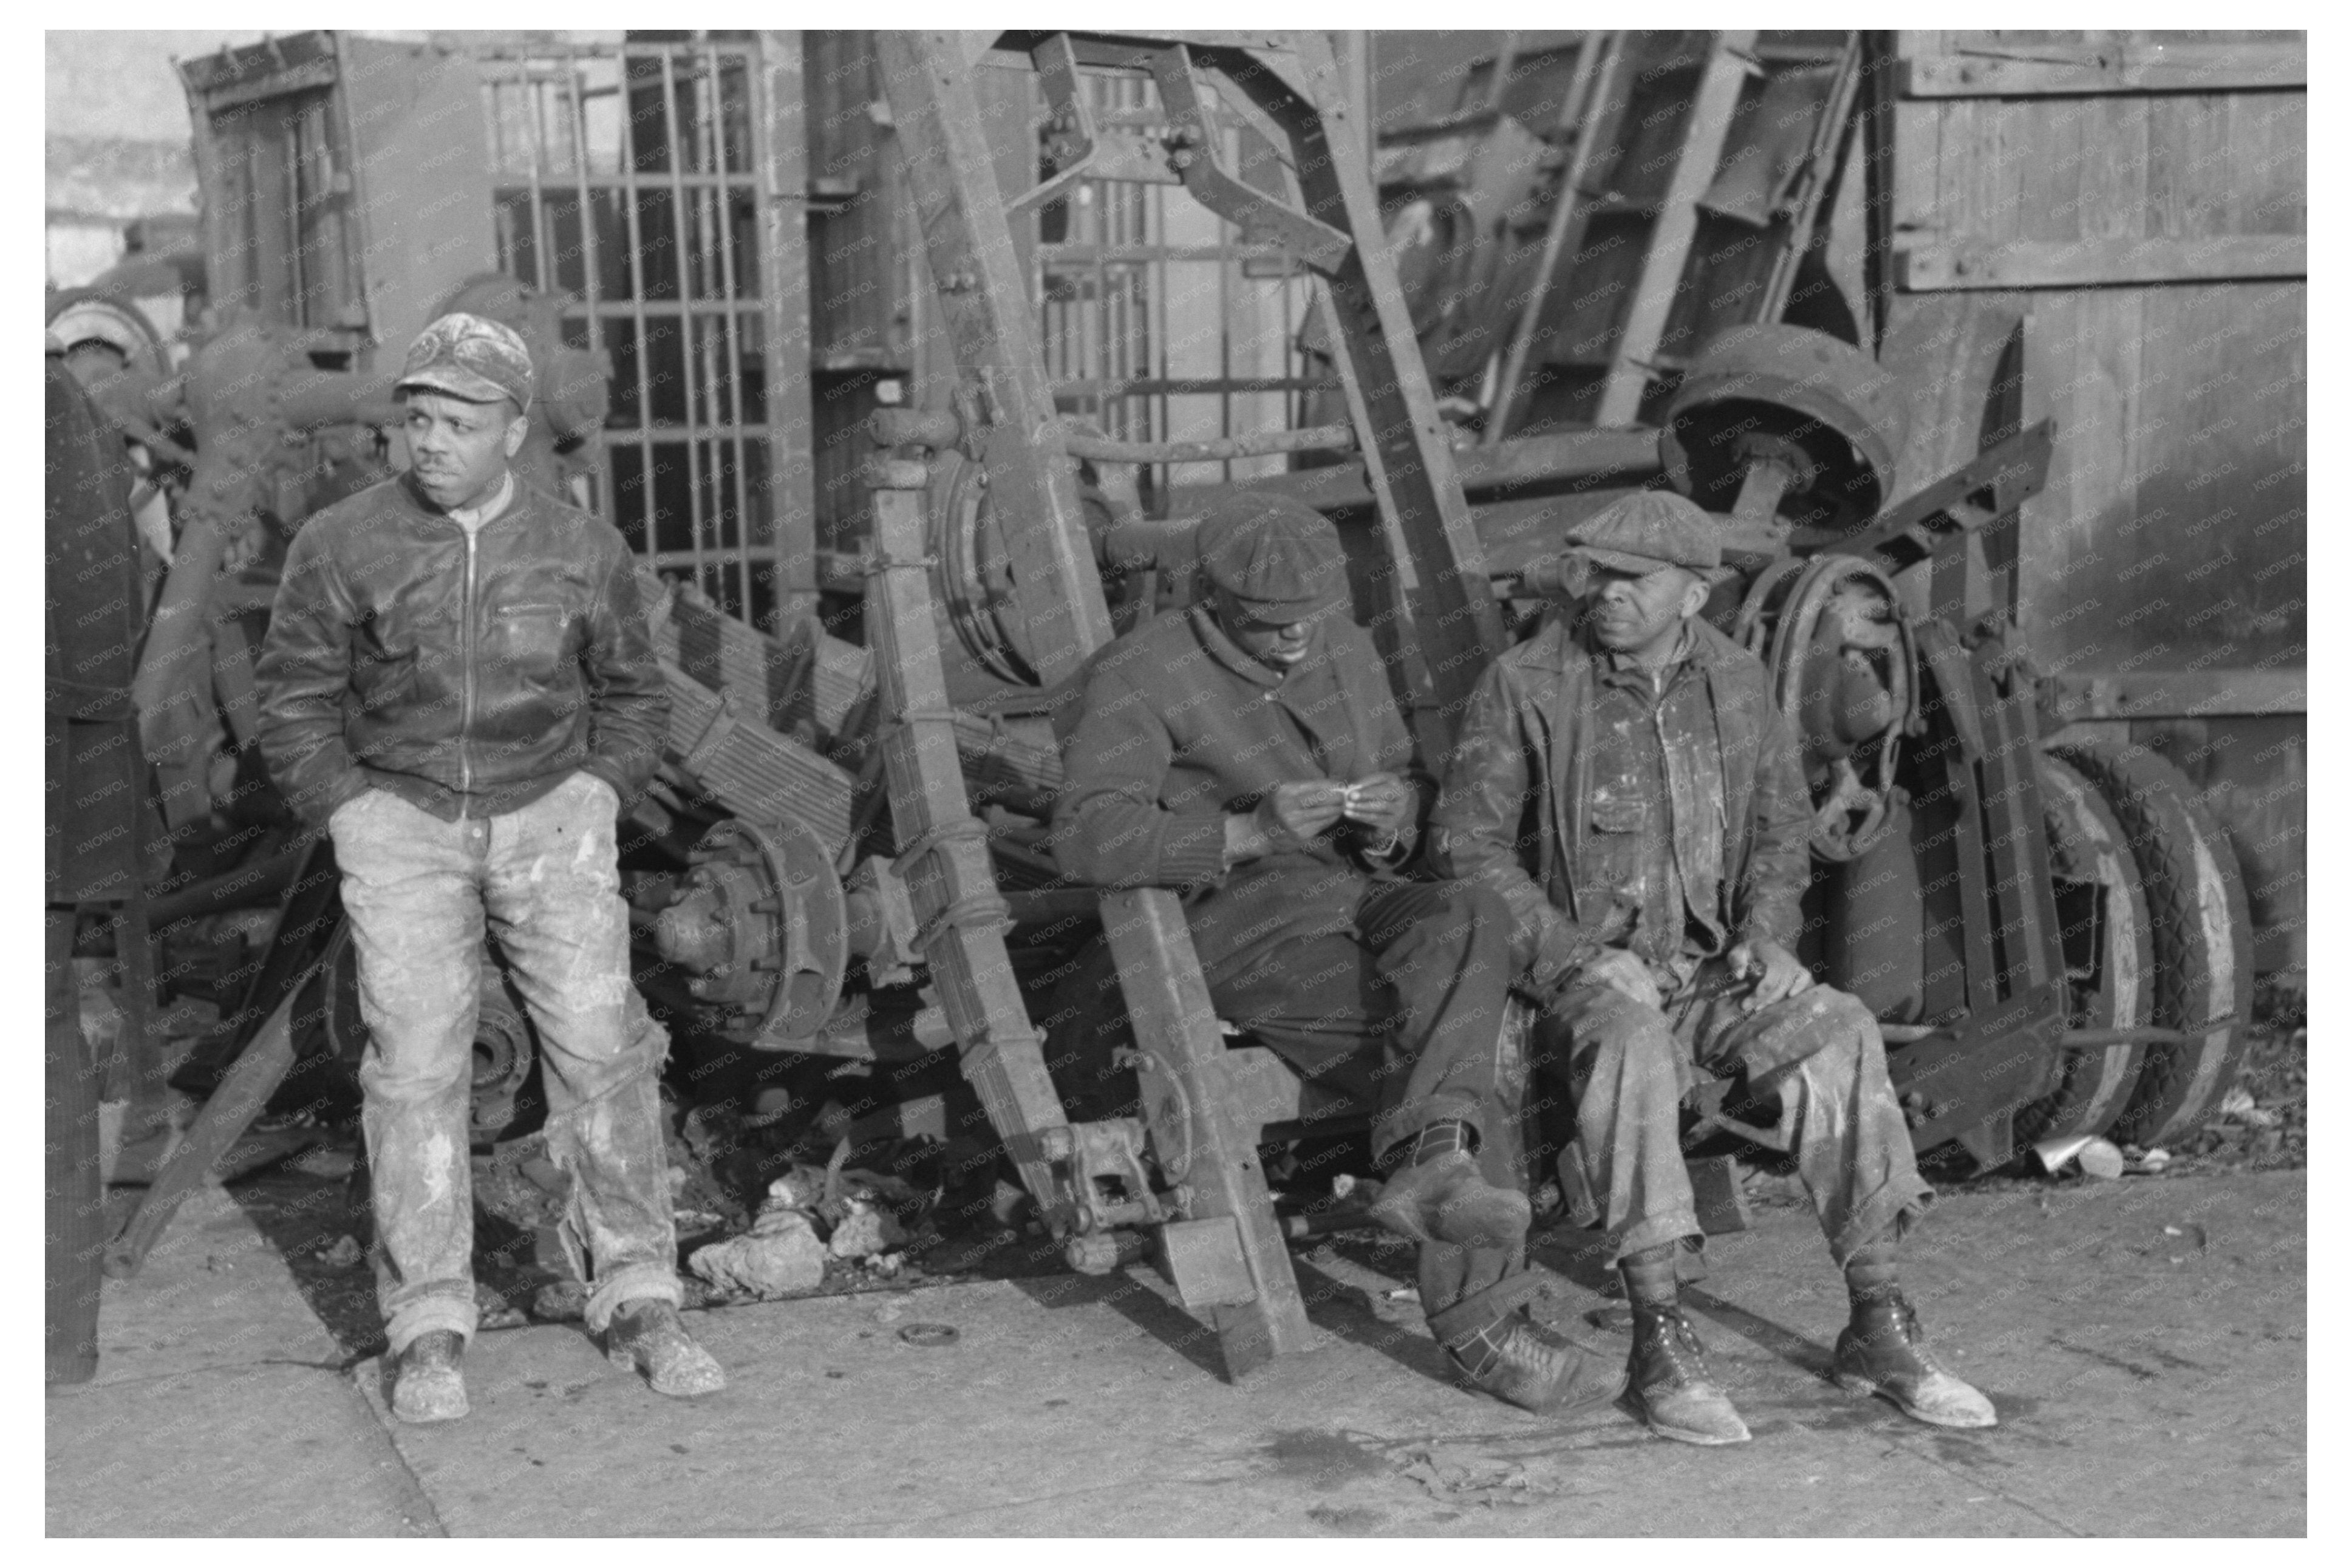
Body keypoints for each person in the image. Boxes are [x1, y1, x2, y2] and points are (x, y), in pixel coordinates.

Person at [1433, 489, 1997, 1445]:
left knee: (1839, 1028)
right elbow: (1466, 848)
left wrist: (1769, 933)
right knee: (1629, 1041)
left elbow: (1780, 829)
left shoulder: (1736, 681)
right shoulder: (1526, 682)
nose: (1607, 593)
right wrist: (1576, 954)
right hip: (1575, 980)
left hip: (1709, 973)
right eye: (1596, 573)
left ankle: (1877, 1320)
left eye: (1634, 579)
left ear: (1693, 594)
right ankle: (1660, 1334)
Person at [1047, 492, 1621, 1416]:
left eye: (1308, 617)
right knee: (1470, 1046)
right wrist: (1246, 832)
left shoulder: (1342, 645)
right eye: (1267, 623)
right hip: (1240, 924)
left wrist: (1393, 816)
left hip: (1352, 887)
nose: (1294, 639)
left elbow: (1404, 775)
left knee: (1469, 910)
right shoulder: (1142, 673)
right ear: (1210, 599)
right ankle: (1481, 1323)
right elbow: (1086, 835)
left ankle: (1435, 1162)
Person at [255, 313, 720, 1423]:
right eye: (418, 417)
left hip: (549, 821)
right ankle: (427, 1322)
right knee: (415, 1069)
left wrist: (597, 789)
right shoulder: (341, 542)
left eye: (460, 422)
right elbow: (292, 701)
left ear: (514, 430)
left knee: (602, 1052)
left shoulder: (580, 548)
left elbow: (635, 695)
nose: (431, 441)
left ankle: (641, 1294)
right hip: (404, 826)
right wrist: (350, 810)